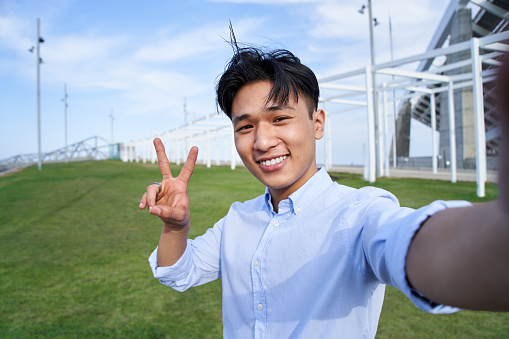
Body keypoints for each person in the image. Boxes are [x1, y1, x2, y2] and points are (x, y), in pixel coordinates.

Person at [139, 45, 509, 338]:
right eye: (245, 126)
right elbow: (178, 273)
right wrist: (176, 229)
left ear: (317, 123)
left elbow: (414, 245)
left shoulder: (359, 213)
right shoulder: (238, 219)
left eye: (280, 118)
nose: (263, 141)